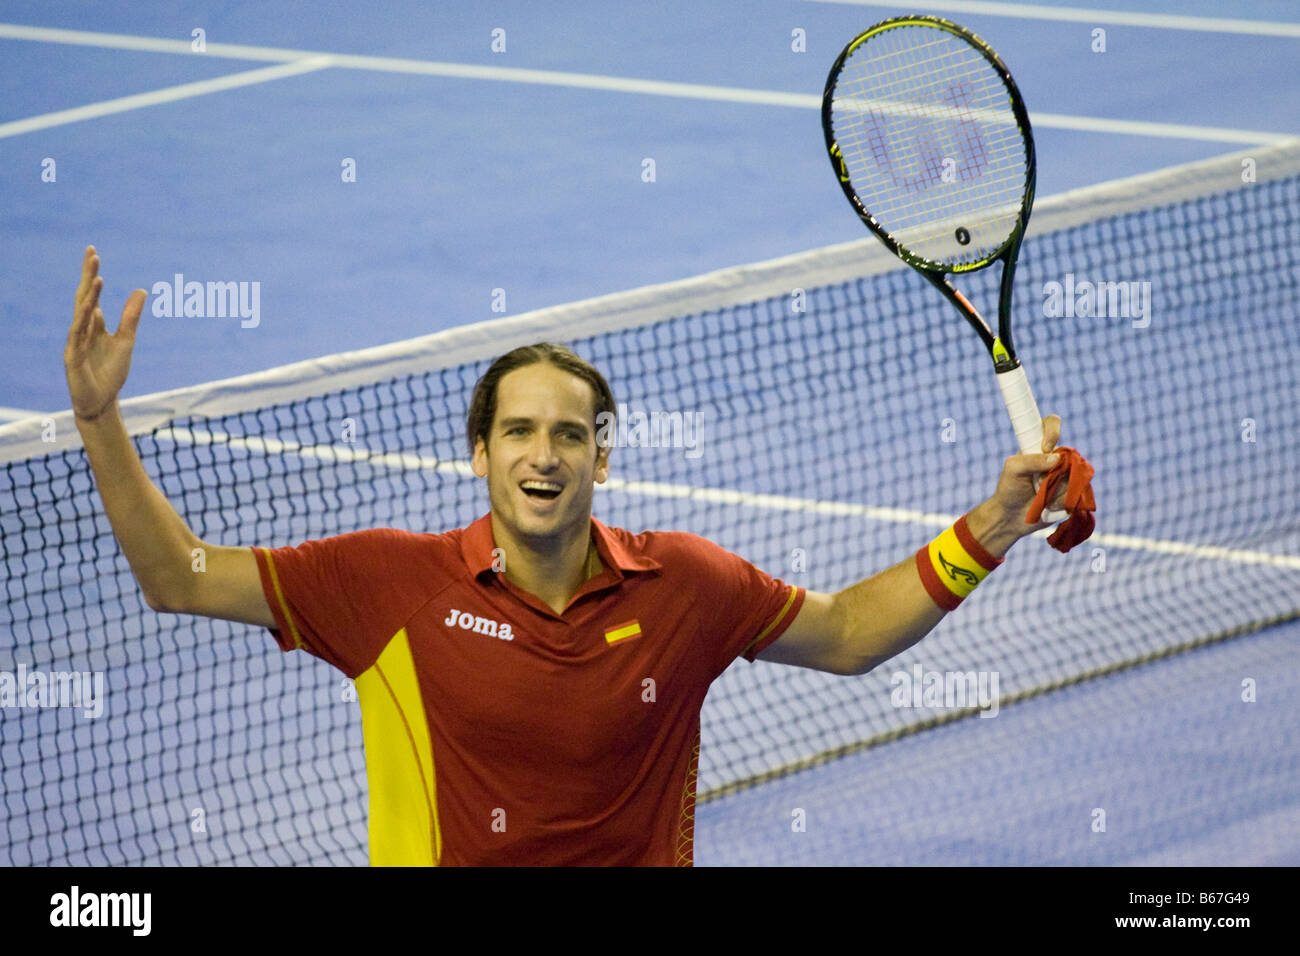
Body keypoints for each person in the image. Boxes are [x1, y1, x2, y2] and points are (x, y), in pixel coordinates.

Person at [66, 246, 1077, 866]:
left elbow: (850, 634)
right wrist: (101, 417)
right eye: (516, 432)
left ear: (602, 453)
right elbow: (177, 575)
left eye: (565, 434)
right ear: (479, 452)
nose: (540, 455)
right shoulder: (385, 583)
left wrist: (987, 527)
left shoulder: (685, 583)